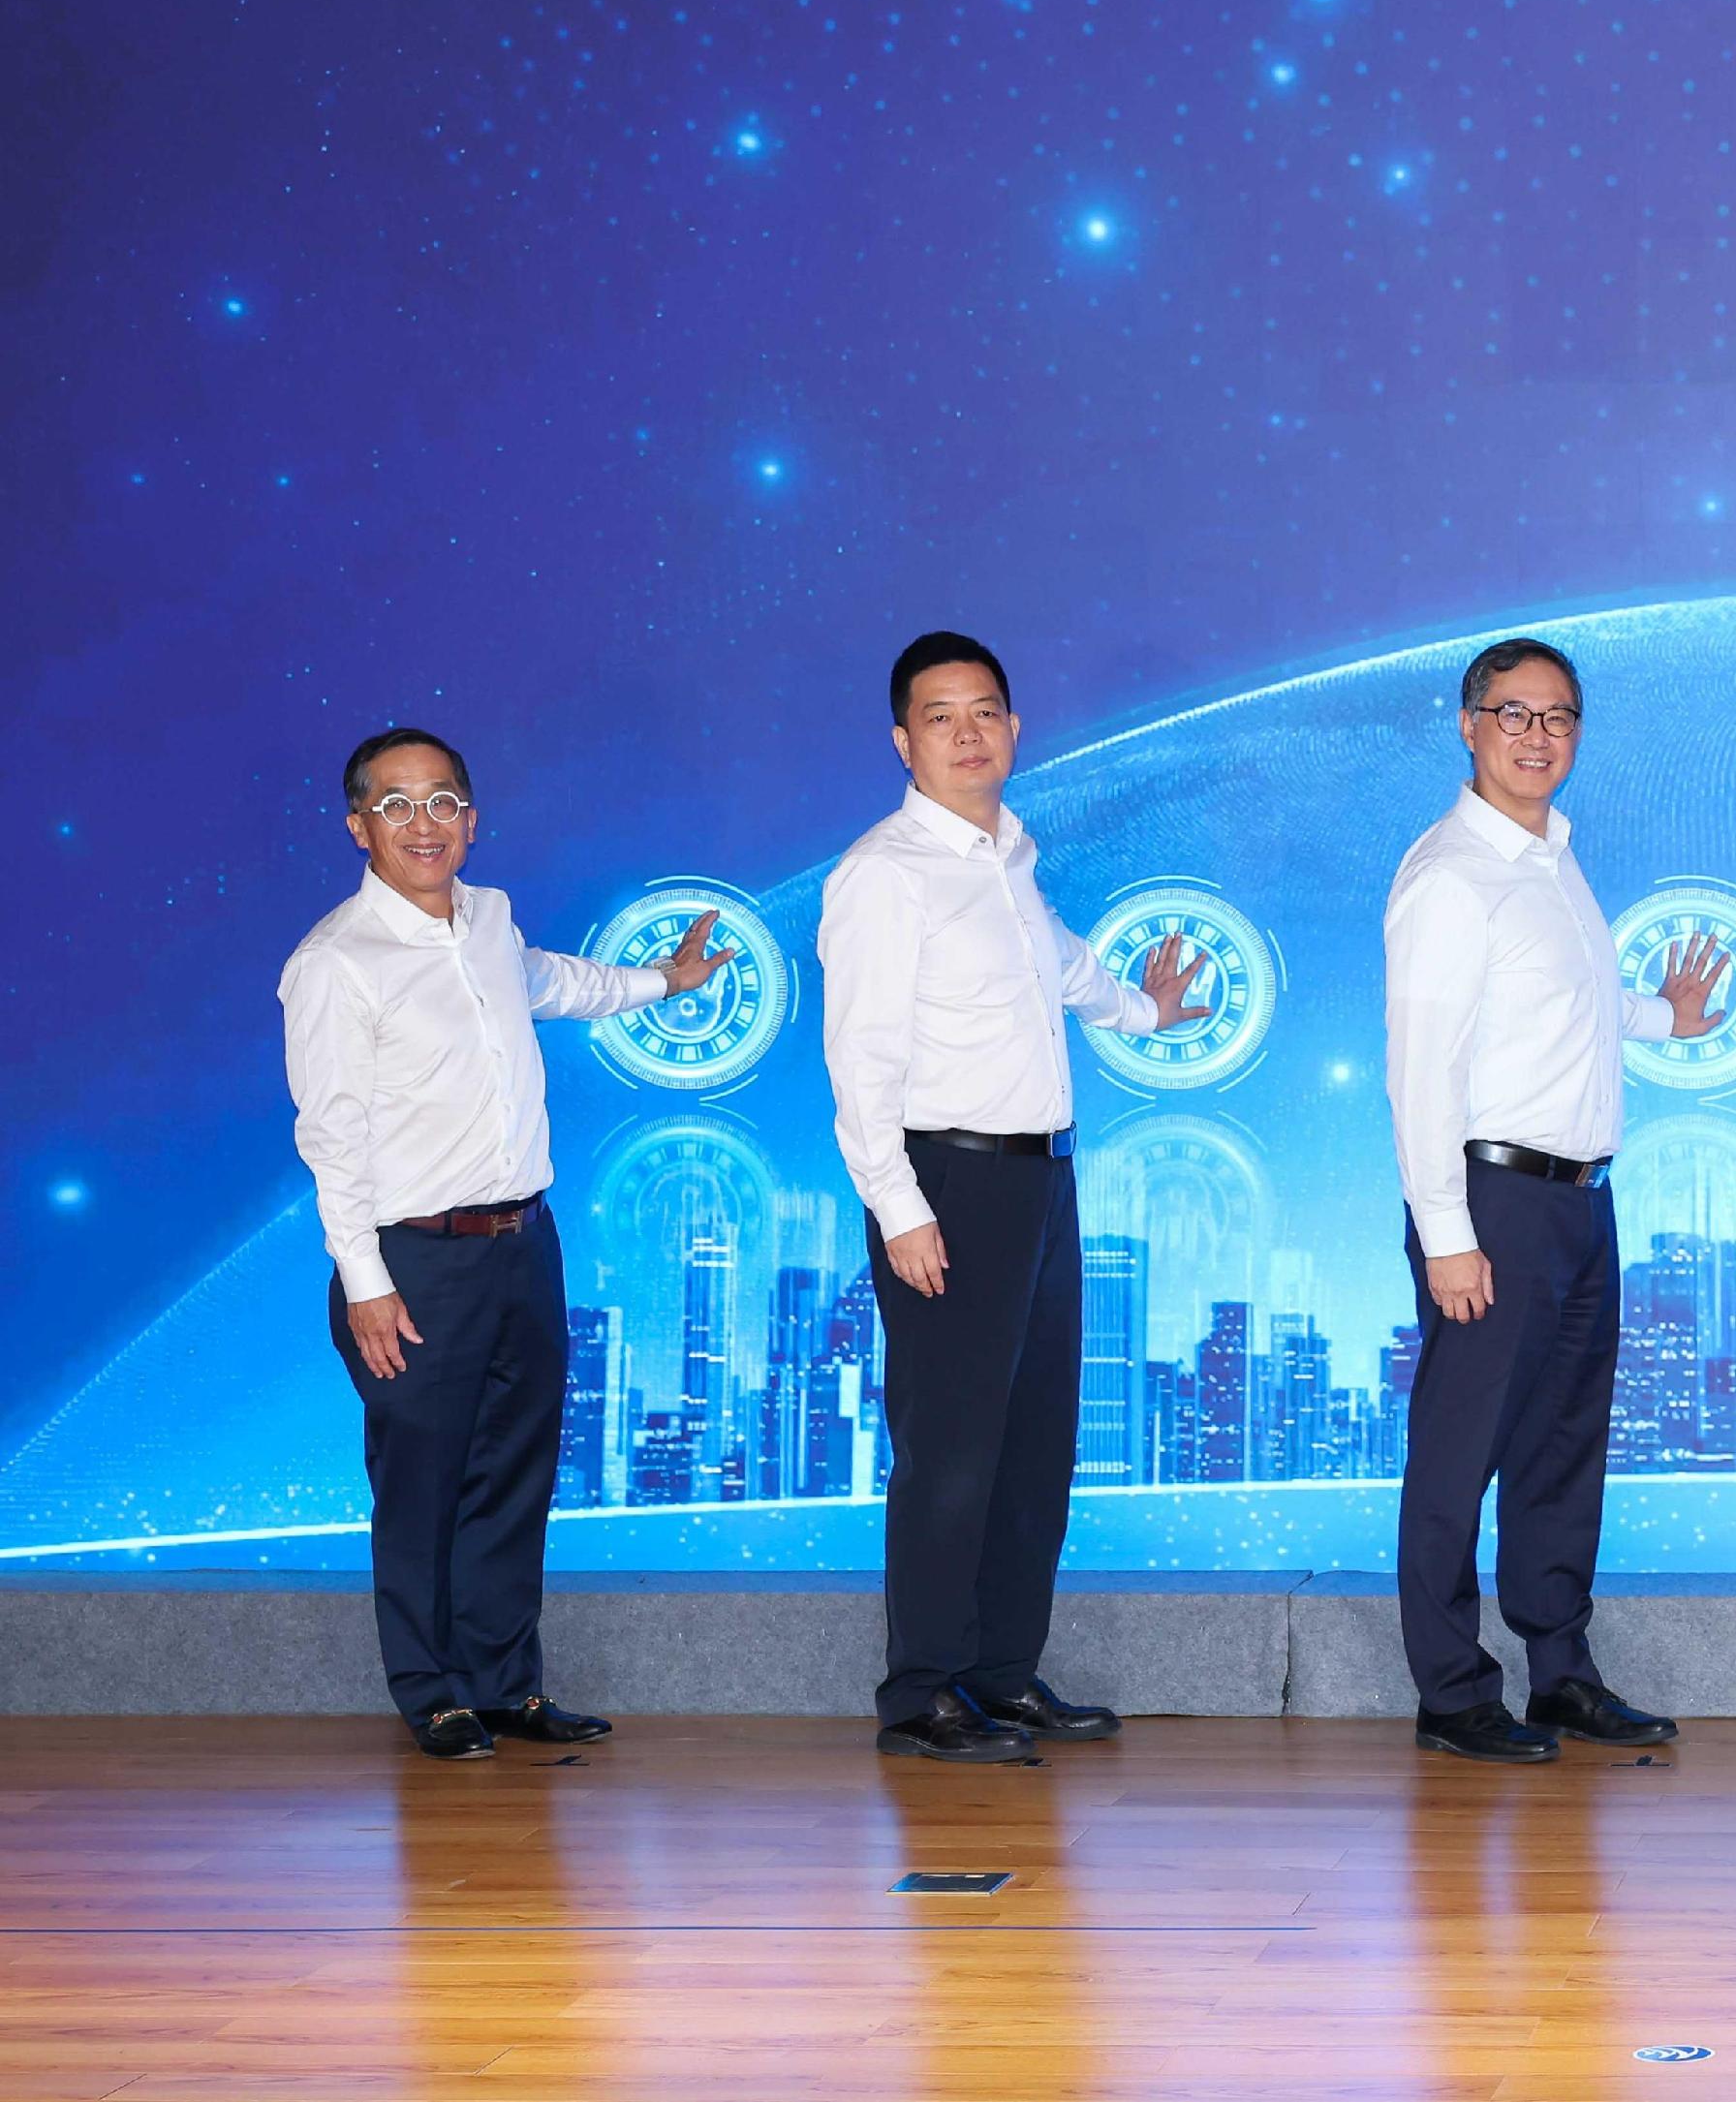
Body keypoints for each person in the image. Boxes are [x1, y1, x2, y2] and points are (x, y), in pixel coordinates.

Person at [280, 726, 736, 1759]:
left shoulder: (488, 919)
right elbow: (330, 1133)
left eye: (441, 800)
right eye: (394, 804)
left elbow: (554, 981)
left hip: (525, 1238)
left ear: (471, 819)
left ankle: (504, 1683)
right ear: (358, 825)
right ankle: (430, 1688)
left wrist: (665, 981)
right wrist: (365, 1280)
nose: (422, 821)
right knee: (423, 1482)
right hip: (413, 1262)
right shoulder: (334, 963)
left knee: (515, 1472)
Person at [820, 632, 1215, 1763]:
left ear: (1015, 727)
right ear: (903, 740)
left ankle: (1000, 1669)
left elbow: (1064, 970)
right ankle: (924, 1689)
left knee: (1035, 1440)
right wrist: (899, 1207)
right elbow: (859, 1059)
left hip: (1041, 1177)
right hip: (946, 1181)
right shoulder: (884, 873)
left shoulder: (1007, 861)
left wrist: (1146, 1009)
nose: (967, 732)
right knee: (948, 1447)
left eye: (985, 710)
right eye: (939, 716)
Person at [1382, 636, 1727, 1763]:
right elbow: (1420, 1065)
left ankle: (1561, 1672)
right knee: (1459, 1450)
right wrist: (1446, 1233)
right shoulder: (1449, 874)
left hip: (1581, 1199)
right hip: (1493, 1200)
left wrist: (1667, 1014)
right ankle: (1450, 1690)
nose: (1538, 736)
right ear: (1468, 723)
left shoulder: (1554, 861)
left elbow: (1569, 1008)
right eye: (1514, 713)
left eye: (1559, 717)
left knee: (1560, 1446)